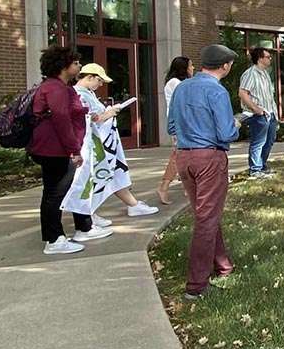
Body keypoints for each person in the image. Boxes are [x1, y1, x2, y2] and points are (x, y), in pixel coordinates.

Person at [168, 44, 242, 299]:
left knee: (206, 213)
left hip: (184, 158)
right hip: (209, 158)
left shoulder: (181, 88)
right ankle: (196, 286)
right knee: (206, 219)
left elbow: (170, 126)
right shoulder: (217, 92)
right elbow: (226, 133)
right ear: (225, 66)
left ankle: (223, 265)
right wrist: (236, 125)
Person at [29, 46, 111, 255]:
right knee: (55, 194)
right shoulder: (56, 88)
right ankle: (54, 239)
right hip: (54, 149)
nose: (79, 66)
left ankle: (67, 232)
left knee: (56, 192)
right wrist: (74, 150)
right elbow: (61, 120)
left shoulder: (56, 87)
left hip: (52, 148)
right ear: (63, 66)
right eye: (75, 63)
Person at [72, 64, 159, 223]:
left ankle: (131, 205)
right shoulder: (79, 95)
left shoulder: (88, 93)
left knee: (114, 172)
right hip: (94, 145)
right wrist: (108, 114)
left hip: (103, 143)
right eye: (99, 80)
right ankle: (88, 215)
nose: (101, 84)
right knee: (98, 177)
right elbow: (89, 119)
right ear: (89, 77)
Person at [239, 47, 279, 179]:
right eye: (268, 57)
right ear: (260, 58)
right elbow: (243, 93)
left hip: (270, 113)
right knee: (258, 142)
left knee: (270, 140)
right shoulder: (250, 74)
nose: (270, 59)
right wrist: (256, 109)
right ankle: (255, 169)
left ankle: (262, 166)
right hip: (259, 114)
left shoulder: (265, 74)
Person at [158, 56, 193, 204]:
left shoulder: (179, 83)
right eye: (190, 66)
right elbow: (183, 105)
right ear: (183, 68)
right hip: (181, 124)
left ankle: (188, 186)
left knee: (188, 155)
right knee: (179, 156)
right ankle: (164, 188)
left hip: (184, 124)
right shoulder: (175, 83)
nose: (193, 68)